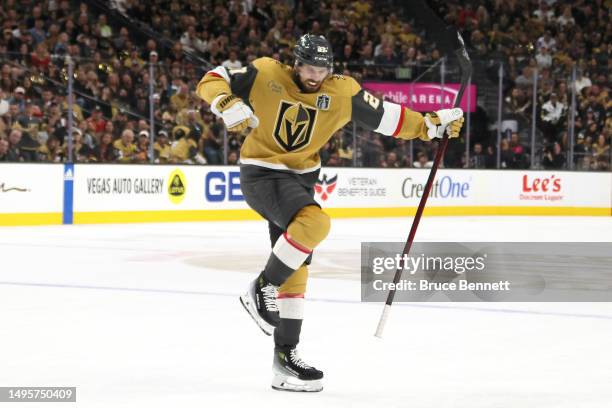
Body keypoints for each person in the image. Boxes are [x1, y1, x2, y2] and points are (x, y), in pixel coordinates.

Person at [196, 34, 464, 392]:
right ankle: (261, 287)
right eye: (308, 67)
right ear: (295, 62)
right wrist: (224, 100)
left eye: (321, 68)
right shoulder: (265, 72)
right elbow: (212, 78)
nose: (314, 75)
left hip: (302, 180)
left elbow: (388, 117)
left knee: (297, 271)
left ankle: (285, 360)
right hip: (262, 171)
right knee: (315, 223)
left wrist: (431, 125)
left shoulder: (342, 92)